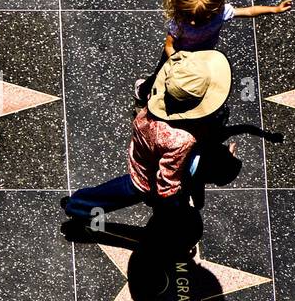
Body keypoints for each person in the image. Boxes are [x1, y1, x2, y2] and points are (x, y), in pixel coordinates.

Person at [64, 49, 231, 222]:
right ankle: (78, 206)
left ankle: (77, 203)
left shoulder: (160, 96)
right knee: (130, 190)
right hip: (149, 177)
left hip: (145, 150)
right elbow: (167, 183)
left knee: (122, 188)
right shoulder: (181, 139)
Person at [134, 0, 290, 103]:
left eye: (199, 19)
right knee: (161, 73)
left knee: (190, 81)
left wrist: (274, 9)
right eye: (190, 17)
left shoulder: (220, 13)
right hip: (180, 55)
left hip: (202, 54)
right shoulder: (180, 22)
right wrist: (177, 60)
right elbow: (169, 45)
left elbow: (248, 11)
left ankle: (169, 96)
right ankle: (144, 91)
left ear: (213, 11)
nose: (193, 22)